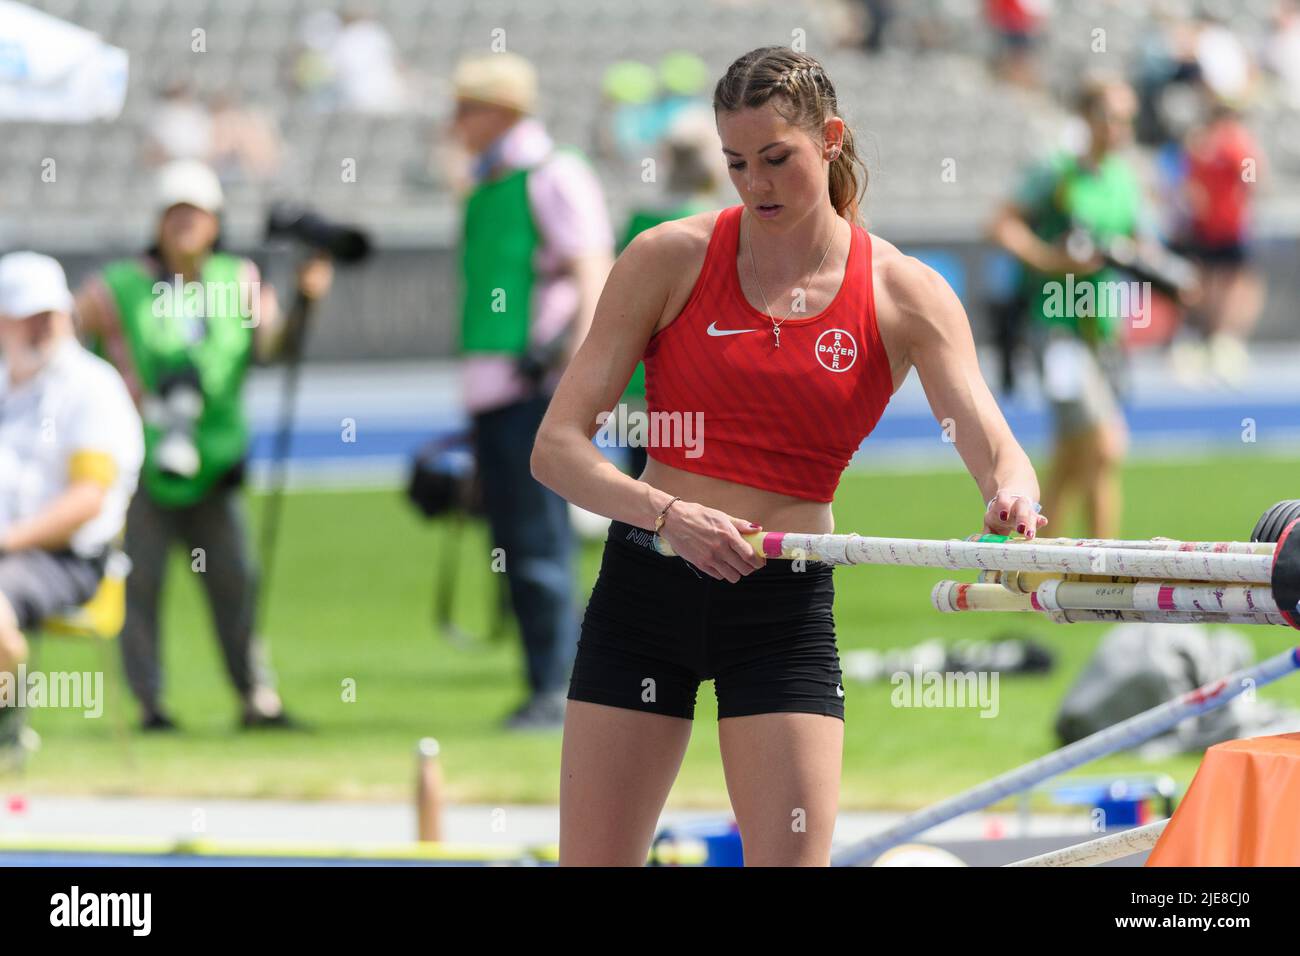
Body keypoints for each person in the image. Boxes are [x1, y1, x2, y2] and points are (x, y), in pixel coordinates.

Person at [532, 46, 1048, 866]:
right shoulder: (668, 257)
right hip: (647, 591)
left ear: (831, 139)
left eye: (778, 159)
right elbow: (556, 450)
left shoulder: (905, 291)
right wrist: (667, 513)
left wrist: (1012, 498)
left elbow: (999, 453)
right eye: (737, 163)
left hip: (783, 608)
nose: (756, 184)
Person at [74, 160, 334, 731]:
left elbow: (273, 348)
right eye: (174, 214)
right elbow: (64, 338)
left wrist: (308, 300)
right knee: (139, 585)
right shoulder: (118, 287)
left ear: (216, 222)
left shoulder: (238, 281)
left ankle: (254, 696)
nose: (184, 224)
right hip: (139, 463)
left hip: (216, 465)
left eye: (195, 214)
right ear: (158, 223)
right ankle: (150, 706)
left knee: (236, 579)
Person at [449, 52, 614, 731]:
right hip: (498, 393)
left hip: (536, 391)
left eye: (465, 108)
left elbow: (590, 271)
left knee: (541, 544)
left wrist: (581, 378)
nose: (454, 122)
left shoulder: (552, 174)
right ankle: (547, 682)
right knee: (519, 543)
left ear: (500, 112)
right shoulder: (490, 181)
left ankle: (562, 689)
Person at [0, 252, 143, 762]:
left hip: (66, 558)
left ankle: (6, 715)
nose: (42, 328)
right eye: (27, 316)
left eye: (50, 315)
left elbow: (88, 499)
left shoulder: (92, 388)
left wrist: (9, 541)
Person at [990, 77, 1143, 541]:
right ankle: (1103, 568)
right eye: (1110, 116)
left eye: (1126, 119)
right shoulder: (1056, 173)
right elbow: (1001, 225)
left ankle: (1034, 555)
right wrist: (1052, 261)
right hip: (1055, 329)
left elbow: (1135, 241)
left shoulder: (1122, 178)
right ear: (1087, 117)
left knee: (1076, 454)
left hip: (1100, 329)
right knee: (1106, 445)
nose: (1118, 128)